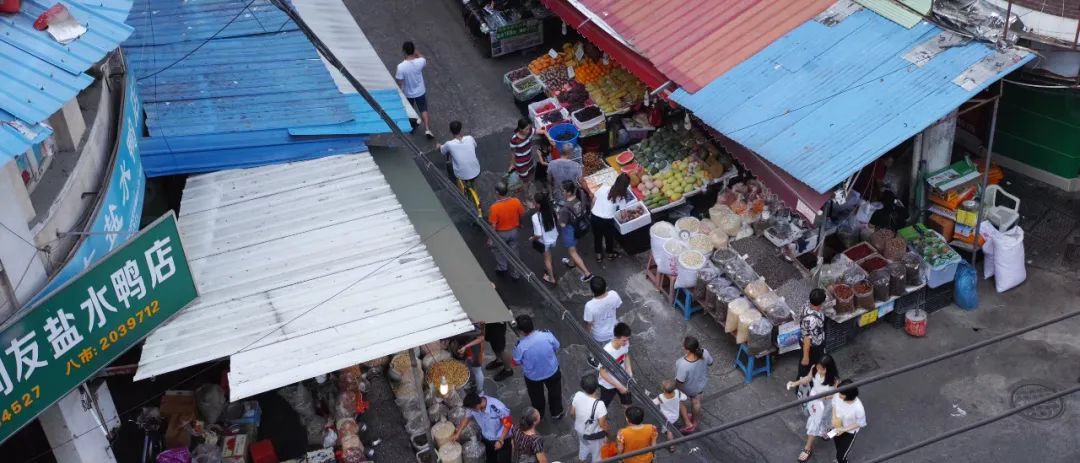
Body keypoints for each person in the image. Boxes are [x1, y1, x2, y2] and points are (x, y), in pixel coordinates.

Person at [787, 355, 841, 462]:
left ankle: (824, 431)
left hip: (827, 403)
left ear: (829, 369)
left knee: (825, 419)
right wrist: (794, 383)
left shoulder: (835, 380)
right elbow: (807, 378)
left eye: (822, 369)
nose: (819, 370)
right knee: (815, 422)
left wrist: (824, 396)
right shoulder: (814, 369)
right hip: (816, 400)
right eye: (818, 367)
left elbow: (836, 394)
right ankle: (808, 447)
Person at [511, 315, 565, 419]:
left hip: (533, 377)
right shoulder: (547, 334)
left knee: (536, 398)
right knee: (555, 393)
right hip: (552, 371)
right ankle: (556, 413)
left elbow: (515, 362)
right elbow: (557, 346)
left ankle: (539, 415)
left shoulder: (520, 345)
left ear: (521, 331)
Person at [456, 392, 513, 463]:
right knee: (490, 459)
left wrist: (500, 441)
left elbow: (508, 424)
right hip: (486, 438)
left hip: (502, 438)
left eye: (472, 409)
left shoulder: (498, 407)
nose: (471, 411)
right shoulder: (472, 407)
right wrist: (458, 433)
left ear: (477, 406)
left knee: (504, 460)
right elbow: (466, 418)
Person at [588, 173, 631, 262]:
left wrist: (591, 212)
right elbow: (623, 215)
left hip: (594, 217)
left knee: (597, 237)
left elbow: (593, 201)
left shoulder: (603, 188)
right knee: (609, 237)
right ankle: (610, 254)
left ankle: (598, 256)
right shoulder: (621, 198)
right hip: (607, 221)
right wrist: (626, 218)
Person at [674, 336, 713, 432]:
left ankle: (688, 423)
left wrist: (675, 390)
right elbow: (711, 363)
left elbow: (680, 381)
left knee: (677, 399)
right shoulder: (705, 352)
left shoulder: (682, 364)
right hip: (700, 385)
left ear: (686, 349)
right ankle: (695, 422)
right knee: (696, 402)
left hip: (688, 388)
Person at [556, 181, 594, 281]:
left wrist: (558, 215)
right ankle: (571, 263)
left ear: (568, 192)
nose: (561, 192)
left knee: (573, 251)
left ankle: (587, 273)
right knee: (572, 249)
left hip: (569, 232)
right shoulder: (578, 200)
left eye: (563, 191)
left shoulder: (564, 209)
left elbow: (562, 224)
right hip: (578, 228)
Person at [488, 182, 525, 280]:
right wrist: (520, 224)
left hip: (501, 234)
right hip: (514, 231)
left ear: (497, 192)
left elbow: (493, 225)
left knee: (498, 249)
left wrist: (491, 238)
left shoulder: (495, 207)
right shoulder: (516, 201)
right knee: (514, 252)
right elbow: (521, 214)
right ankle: (516, 273)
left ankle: (502, 267)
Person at [395, 41, 433, 138]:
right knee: (423, 109)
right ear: (413, 51)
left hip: (408, 93)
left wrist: (399, 92)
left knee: (409, 110)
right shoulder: (420, 62)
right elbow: (423, 58)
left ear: (404, 51)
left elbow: (400, 82)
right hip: (420, 91)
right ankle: (427, 129)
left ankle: (413, 125)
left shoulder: (401, 67)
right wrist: (417, 53)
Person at [570, 374, 609, 462]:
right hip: (594, 436)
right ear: (596, 387)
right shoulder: (600, 405)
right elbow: (602, 425)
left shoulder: (578, 395)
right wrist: (608, 435)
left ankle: (582, 459)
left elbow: (572, 413)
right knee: (597, 454)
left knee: (583, 446)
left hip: (580, 430)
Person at [597, 322, 633, 406]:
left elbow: (626, 355)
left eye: (628, 339)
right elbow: (603, 373)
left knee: (628, 403)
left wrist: (629, 371)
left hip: (622, 379)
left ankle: (629, 418)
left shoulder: (625, 343)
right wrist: (619, 387)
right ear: (616, 338)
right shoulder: (607, 352)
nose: (627, 342)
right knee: (603, 406)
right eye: (624, 340)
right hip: (608, 385)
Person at [830, 380, 866, 463]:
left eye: (841, 394)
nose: (838, 395)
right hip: (838, 426)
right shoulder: (838, 395)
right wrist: (833, 418)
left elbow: (860, 423)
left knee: (840, 456)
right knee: (838, 448)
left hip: (849, 432)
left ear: (848, 395)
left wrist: (843, 429)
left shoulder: (858, 408)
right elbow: (834, 405)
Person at [527, 192, 559, 285]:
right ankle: (550, 267)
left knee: (547, 260)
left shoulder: (535, 217)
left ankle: (551, 278)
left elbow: (538, 234)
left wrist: (532, 238)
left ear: (538, 204)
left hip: (545, 242)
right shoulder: (552, 210)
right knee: (549, 255)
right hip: (554, 237)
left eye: (534, 201)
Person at [437, 121, 481, 187]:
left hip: (461, 175)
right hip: (477, 171)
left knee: (451, 171)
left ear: (450, 131)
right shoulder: (470, 138)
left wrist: (438, 146)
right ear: (461, 129)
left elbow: (442, 150)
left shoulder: (449, 144)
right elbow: (475, 146)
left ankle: (453, 185)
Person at [652, 380, 689, 452]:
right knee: (671, 426)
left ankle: (672, 446)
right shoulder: (677, 393)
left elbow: (653, 403)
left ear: (664, 390)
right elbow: (685, 397)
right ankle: (666, 430)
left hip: (665, 418)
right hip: (675, 415)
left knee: (669, 431)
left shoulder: (661, 397)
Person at [799, 288, 827, 383]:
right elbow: (807, 338)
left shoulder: (806, 304)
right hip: (812, 347)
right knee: (808, 366)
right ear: (820, 303)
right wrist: (806, 357)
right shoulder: (812, 320)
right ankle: (806, 384)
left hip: (816, 341)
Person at [584, 277, 621, 345]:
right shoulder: (614, 294)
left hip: (599, 335)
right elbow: (617, 307)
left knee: (602, 350)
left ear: (592, 291)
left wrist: (587, 335)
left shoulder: (589, 306)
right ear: (605, 287)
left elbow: (589, 323)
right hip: (613, 329)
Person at [509, 119, 541, 190]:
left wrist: (549, 137)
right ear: (520, 129)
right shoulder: (514, 140)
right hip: (521, 165)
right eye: (526, 129)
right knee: (525, 181)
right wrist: (512, 164)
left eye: (529, 128)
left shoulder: (530, 132)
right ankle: (527, 197)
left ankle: (529, 184)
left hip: (530, 160)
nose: (528, 131)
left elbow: (541, 131)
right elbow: (513, 153)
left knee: (531, 174)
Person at [455, 323, 488, 393]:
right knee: (470, 367)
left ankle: (480, 391)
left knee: (477, 370)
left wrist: (466, 346)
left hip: (475, 349)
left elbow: (481, 338)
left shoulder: (479, 320)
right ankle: (473, 382)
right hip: (468, 347)